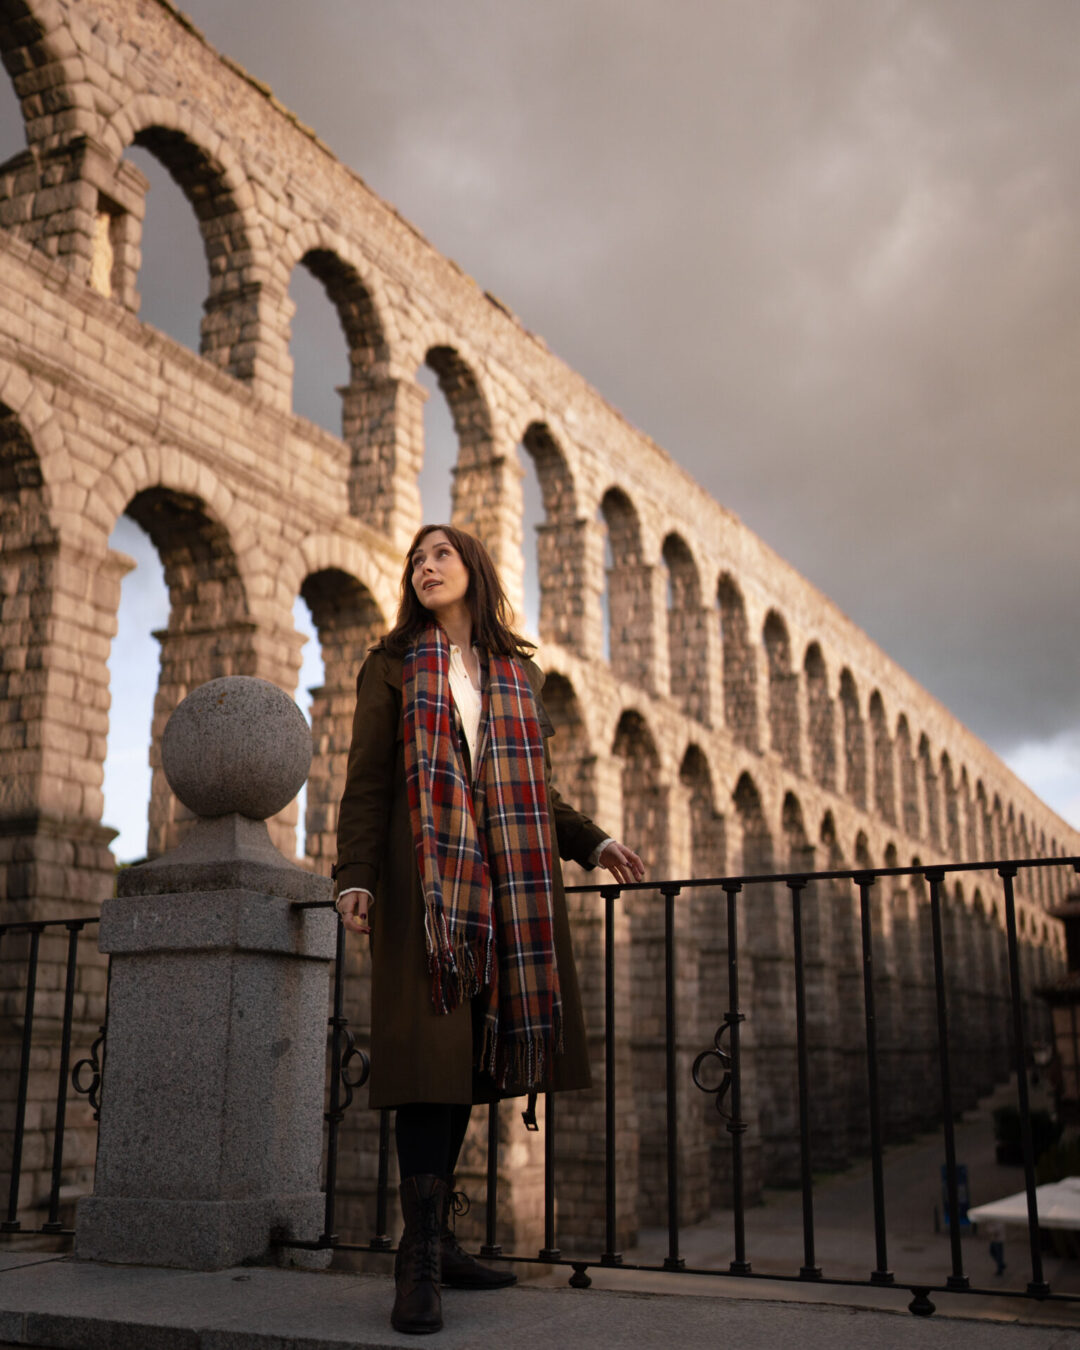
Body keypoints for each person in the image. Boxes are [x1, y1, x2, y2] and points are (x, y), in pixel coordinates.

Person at [334, 524, 644, 1335]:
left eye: (440, 554)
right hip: (427, 891)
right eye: (415, 558)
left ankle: (441, 1239)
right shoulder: (393, 665)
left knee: (470, 1063)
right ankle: (419, 1262)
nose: (424, 566)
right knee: (430, 1065)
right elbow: (366, 780)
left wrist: (593, 841)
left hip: (504, 891)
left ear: (473, 568)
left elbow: (535, 788)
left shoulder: (514, 673)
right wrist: (354, 875)